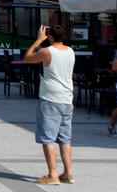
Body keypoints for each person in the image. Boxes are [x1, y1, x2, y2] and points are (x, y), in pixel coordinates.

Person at [24, 24, 75, 185]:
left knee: (48, 138)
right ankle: (68, 173)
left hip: (50, 99)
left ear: (50, 37)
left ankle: (52, 174)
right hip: (67, 99)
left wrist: (38, 41)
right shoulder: (70, 51)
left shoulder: (47, 51)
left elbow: (28, 58)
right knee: (65, 138)